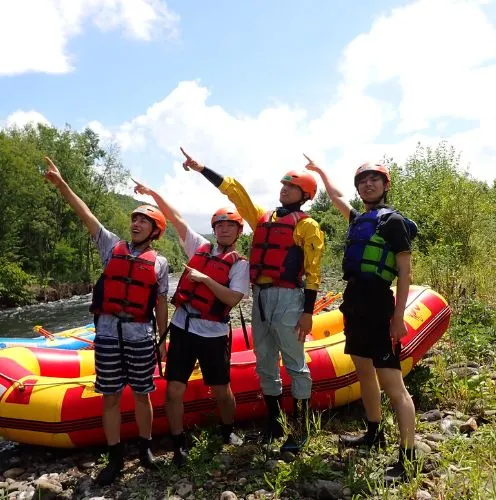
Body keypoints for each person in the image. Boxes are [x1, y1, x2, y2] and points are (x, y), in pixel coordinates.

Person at [180, 148, 324, 453]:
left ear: (305, 193)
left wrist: (308, 312)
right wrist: (202, 167)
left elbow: (312, 272)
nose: (284, 189)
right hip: (260, 298)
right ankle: (274, 422)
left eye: (291, 186)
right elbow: (235, 192)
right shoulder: (263, 218)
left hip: (289, 298)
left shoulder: (308, 225)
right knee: (265, 362)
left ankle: (301, 428)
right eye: (283, 184)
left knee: (296, 365)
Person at [43, 157, 169, 486]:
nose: (136, 223)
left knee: (142, 394)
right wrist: (62, 185)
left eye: (143, 220)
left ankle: (145, 450)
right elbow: (85, 213)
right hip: (109, 334)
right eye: (135, 219)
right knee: (110, 396)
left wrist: (164, 340)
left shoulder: (160, 263)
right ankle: (114, 456)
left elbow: (160, 302)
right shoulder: (111, 246)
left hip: (141, 336)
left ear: (155, 230)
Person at [304, 156, 418, 483]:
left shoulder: (393, 222)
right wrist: (321, 172)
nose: (368, 184)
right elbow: (337, 197)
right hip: (354, 301)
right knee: (363, 369)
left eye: (374, 180)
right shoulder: (358, 219)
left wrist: (398, 317)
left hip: (379, 302)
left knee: (393, 383)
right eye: (363, 181)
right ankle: (374, 432)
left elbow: (406, 271)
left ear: (385, 185)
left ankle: (408, 456)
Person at [132, 180, 250, 467]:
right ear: (214, 228)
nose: (223, 229)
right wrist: (152, 193)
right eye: (219, 224)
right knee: (174, 389)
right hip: (183, 328)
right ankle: (178, 442)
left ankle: (227, 430)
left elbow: (233, 298)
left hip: (214, 332)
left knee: (221, 390)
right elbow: (175, 218)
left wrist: (205, 279)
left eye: (230, 225)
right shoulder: (199, 246)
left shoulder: (240, 264)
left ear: (238, 231)